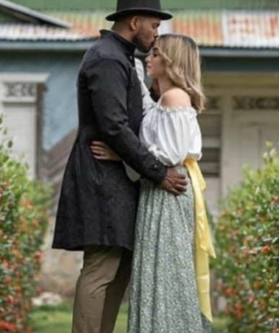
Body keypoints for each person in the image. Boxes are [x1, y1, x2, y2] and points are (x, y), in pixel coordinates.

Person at [51, 0, 189, 332]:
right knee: (102, 266)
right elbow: (113, 126)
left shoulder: (123, 58)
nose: (156, 34)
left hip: (119, 176)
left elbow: (134, 123)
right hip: (101, 177)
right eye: (154, 26)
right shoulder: (107, 59)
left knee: (120, 267)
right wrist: (158, 172)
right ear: (135, 21)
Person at [91, 34, 215, 333]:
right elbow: (148, 114)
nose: (150, 57)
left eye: (157, 54)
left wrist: (121, 155)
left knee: (165, 273)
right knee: (156, 271)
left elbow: (169, 154)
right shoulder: (165, 99)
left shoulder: (175, 98)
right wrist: (131, 69)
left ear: (171, 62)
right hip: (156, 190)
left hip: (167, 192)